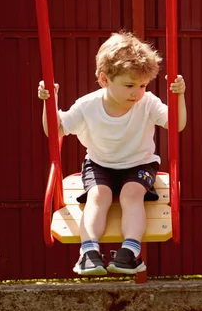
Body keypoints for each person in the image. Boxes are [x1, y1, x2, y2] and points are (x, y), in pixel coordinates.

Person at [38, 31, 187, 276]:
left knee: (131, 194)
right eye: (129, 85)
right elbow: (56, 131)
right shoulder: (87, 105)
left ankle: (129, 252)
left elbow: (176, 124)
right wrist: (50, 102)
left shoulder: (147, 102)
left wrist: (178, 95)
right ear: (105, 79)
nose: (136, 92)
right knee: (98, 196)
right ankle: (89, 252)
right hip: (99, 164)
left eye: (142, 85)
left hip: (140, 164)